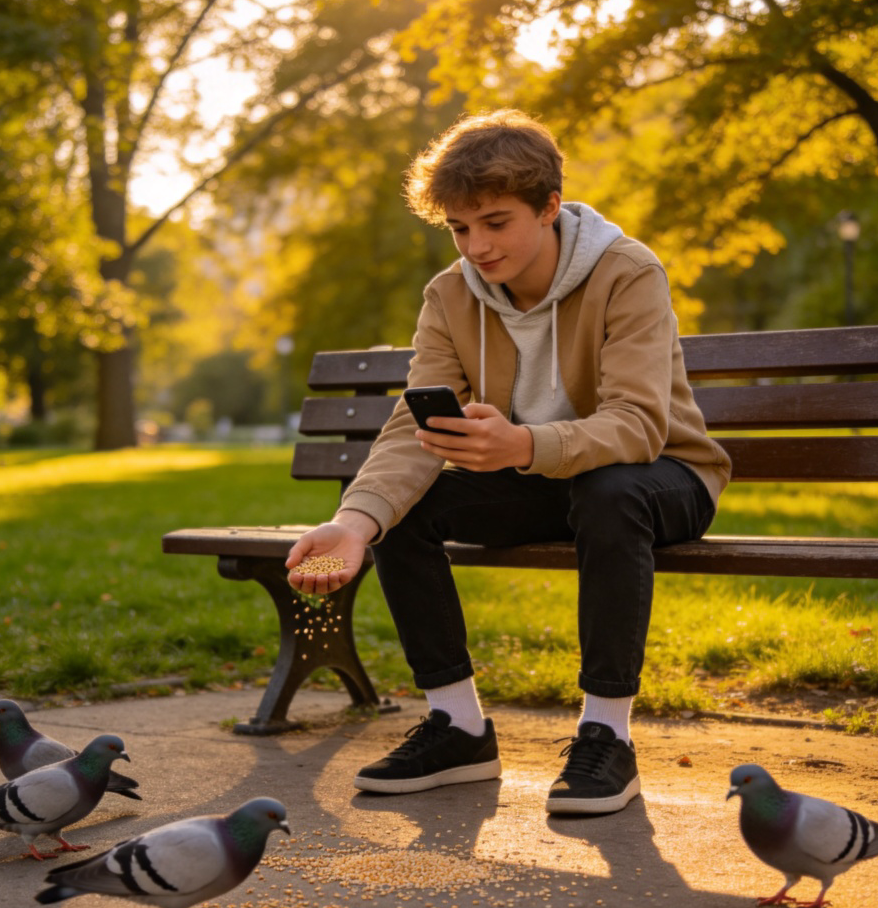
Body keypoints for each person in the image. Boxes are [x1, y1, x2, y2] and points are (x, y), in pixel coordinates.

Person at [286, 109, 731, 815]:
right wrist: (355, 521)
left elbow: (639, 425)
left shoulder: (628, 272)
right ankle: (458, 726)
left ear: (549, 207)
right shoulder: (450, 294)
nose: (476, 246)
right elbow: (415, 426)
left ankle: (606, 735)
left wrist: (522, 445)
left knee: (609, 491)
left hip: (661, 476)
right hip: (543, 479)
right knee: (408, 509)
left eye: (495, 222)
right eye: (460, 229)